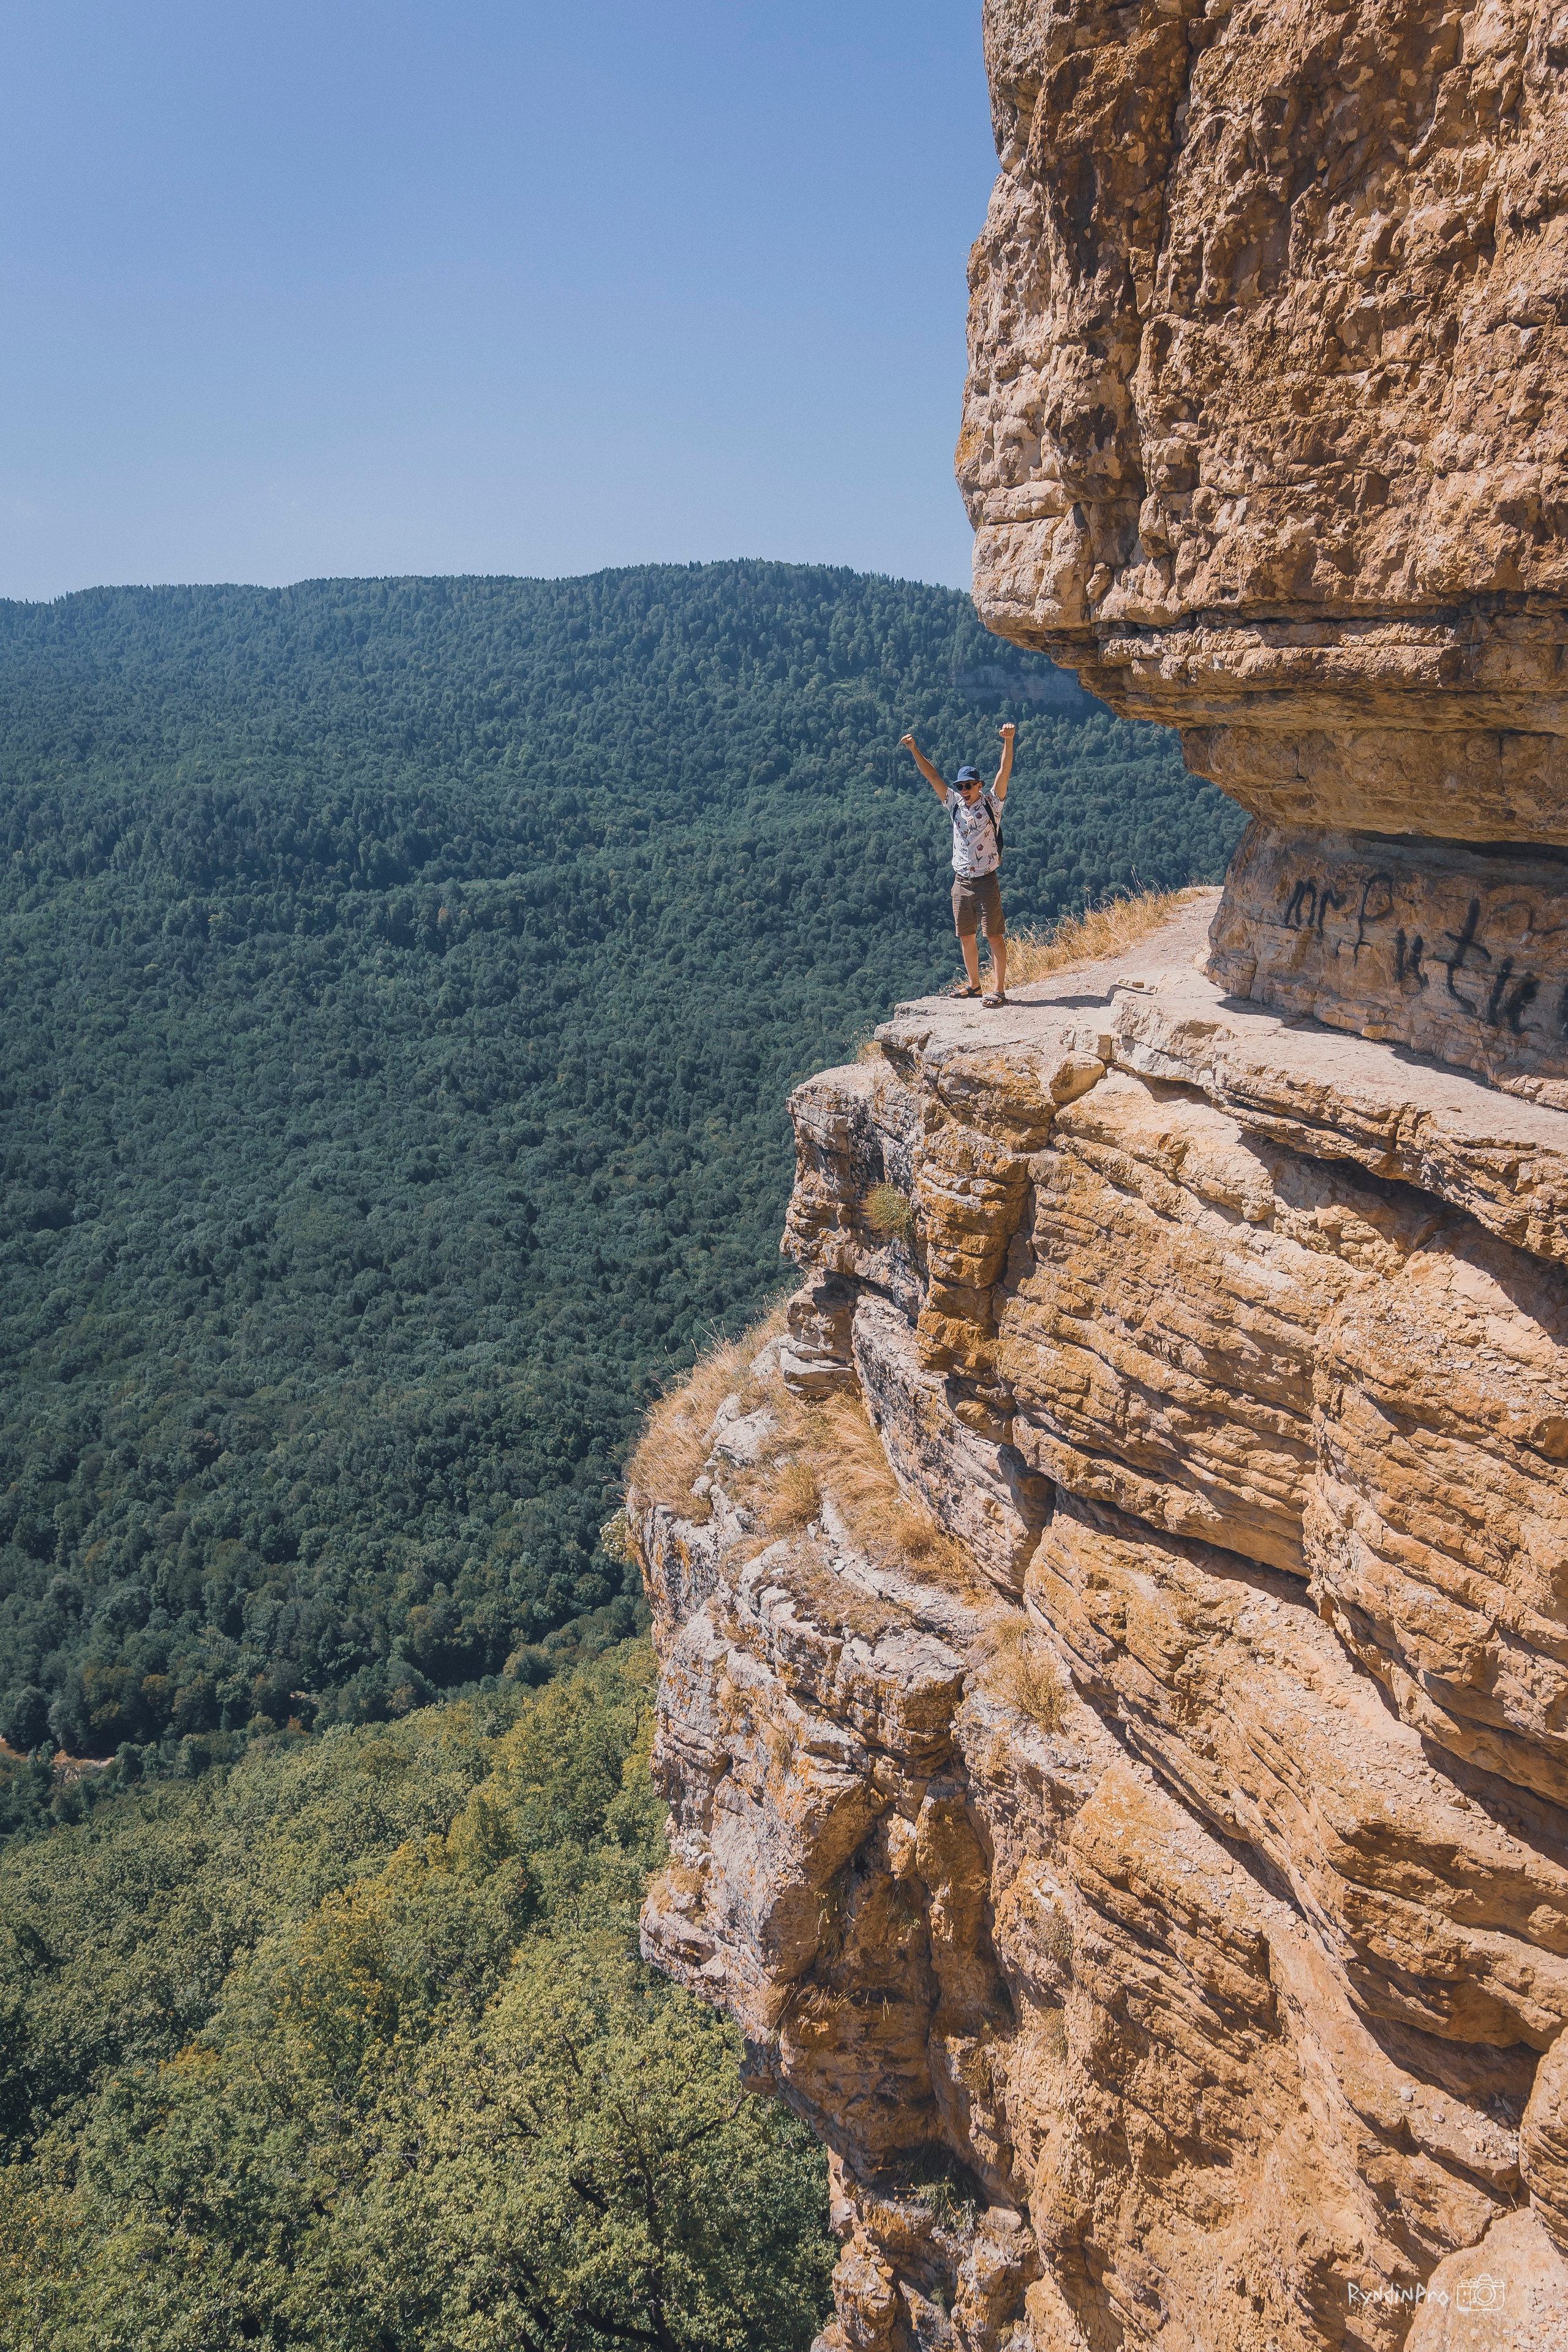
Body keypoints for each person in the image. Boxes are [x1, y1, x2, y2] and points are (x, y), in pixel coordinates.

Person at [898, 722, 1016, 1005]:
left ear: (979, 786)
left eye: (968, 786)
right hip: (961, 882)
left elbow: (1004, 772)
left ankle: (998, 990)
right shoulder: (953, 804)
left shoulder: (992, 804)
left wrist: (1009, 742)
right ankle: (975, 986)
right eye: (960, 786)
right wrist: (915, 750)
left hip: (987, 881)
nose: (963, 790)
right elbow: (933, 777)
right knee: (966, 936)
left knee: (995, 936)